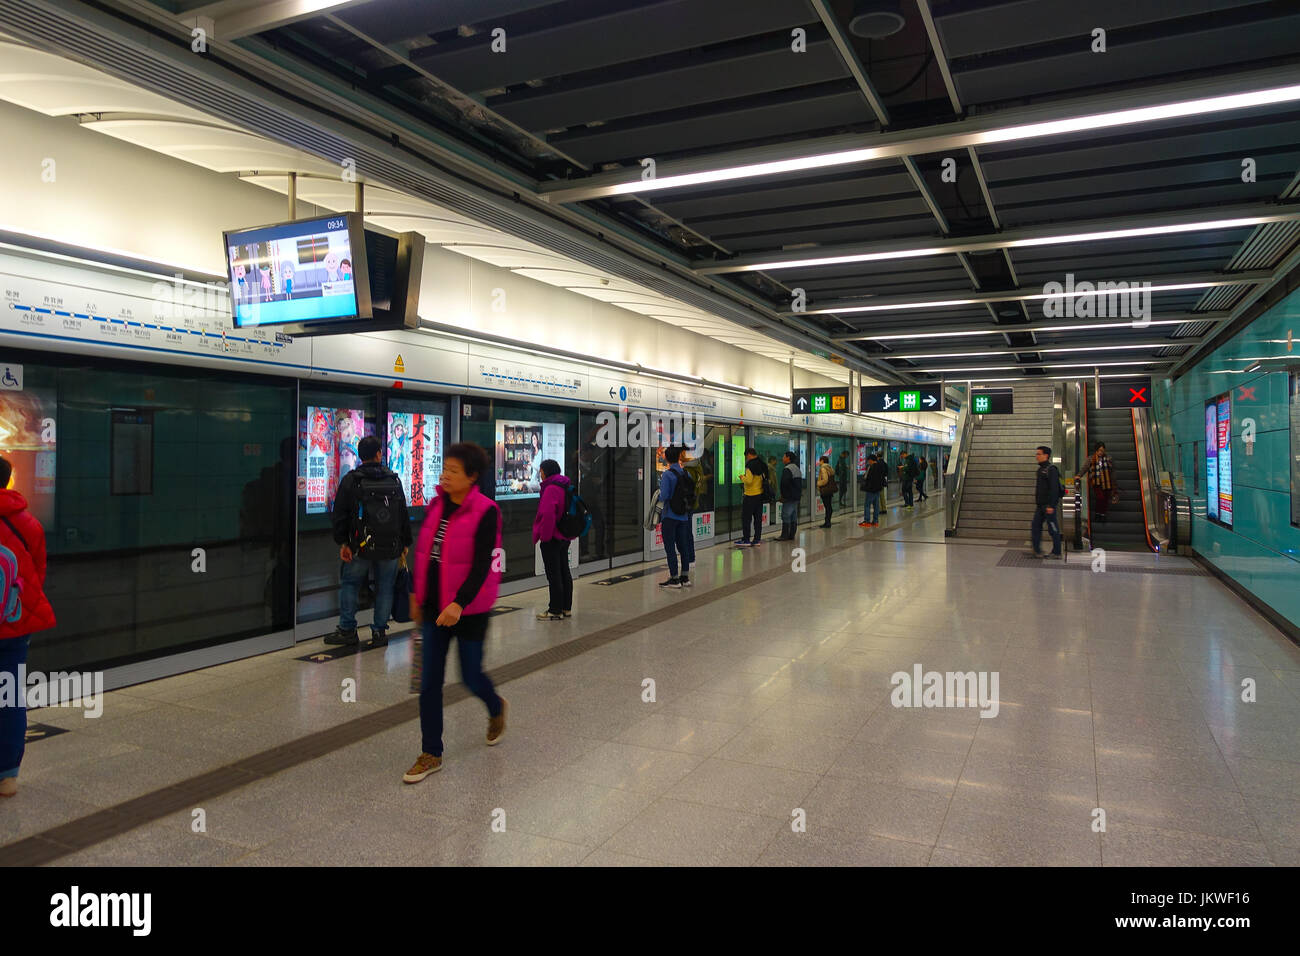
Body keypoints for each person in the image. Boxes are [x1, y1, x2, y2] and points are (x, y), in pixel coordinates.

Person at [404, 443, 507, 782]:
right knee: (429, 681)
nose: (445, 475)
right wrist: (417, 594)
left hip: (470, 610)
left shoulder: (486, 511)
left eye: (453, 470)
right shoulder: (436, 505)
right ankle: (431, 752)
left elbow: (481, 566)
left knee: (470, 676)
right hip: (434, 608)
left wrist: (458, 603)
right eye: (444, 468)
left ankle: (495, 707)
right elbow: (425, 554)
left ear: (472, 476)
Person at [0, 456, 56, 798]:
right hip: (16, 624)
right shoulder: (29, 524)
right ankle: (7, 775)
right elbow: (37, 575)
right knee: (9, 696)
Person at [327, 434, 412, 647]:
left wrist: (343, 543)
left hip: (360, 546)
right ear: (379, 454)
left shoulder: (351, 480)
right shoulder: (393, 479)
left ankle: (347, 629)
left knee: (350, 584)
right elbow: (402, 513)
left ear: (360, 455)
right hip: (391, 546)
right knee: (386, 587)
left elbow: (340, 514)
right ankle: (379, 632)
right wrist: (405, 543)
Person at [532, 459, 574, 620]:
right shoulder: (564, 485)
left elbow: (548, 515)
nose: (540, 474)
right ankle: (566, 607)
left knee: (554, 574)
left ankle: (555, 610)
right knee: (564, 571)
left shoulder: (551, 489)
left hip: (553, 537)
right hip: (564, 535)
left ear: (546, 472)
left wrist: (545, 537)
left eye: (541, 471)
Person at [657, 446, 695, 589]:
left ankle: (674, 578)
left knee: (670, 547)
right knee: (683, 546)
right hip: (684, 516)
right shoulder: (686, 473)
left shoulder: (667, 475)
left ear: (666, 458)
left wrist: (658, 495)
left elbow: (665, 496)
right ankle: (685, 577)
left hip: (670, 516)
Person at [1031, 445, 1064, 559]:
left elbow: (1054, 489)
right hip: (1040, 506)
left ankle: (1057, 552)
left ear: (1046, 455)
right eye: (1037, 454)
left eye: (1039, 454)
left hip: (1048, 506)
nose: (1037, 456)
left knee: (1053, 529)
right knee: (1035, 526)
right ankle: (1037, 550)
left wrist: (1052, 505)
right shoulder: (1040, 470)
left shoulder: (1052, 470)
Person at [735, 447, 768, 548]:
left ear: (749, 454)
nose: (746, 459)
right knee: (758, 519)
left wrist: (742, 477)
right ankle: (757, 539)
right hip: (760, 494)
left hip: (750, 495)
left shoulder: (750, 465)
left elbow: (749, 481)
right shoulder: (762, 464)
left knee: (746, 518)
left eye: (746, 456)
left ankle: (746, 540)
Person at [1076, 442, 1114, 522]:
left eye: (1102, 451)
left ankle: (1102, 514)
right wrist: (1079, 475)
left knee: (1106, 498)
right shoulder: (1091, 458)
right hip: (1096, 482)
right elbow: (1085, 468)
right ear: (1096, 451)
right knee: (1100, 498)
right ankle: (1097, 513)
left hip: (1107, 482)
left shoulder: (1108, 458)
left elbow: (1112, 471)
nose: (1101, 452)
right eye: (1099, 450)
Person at [776, 451, 802, 540]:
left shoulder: (788, 469)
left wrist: (784, 495)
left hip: (789, 496)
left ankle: (784, 535)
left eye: (784, 456)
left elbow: (784, 483)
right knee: (793, 515)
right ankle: (791, 535)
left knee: (786, 515)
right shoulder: (796, 468)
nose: (782, 458)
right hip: (796, 495)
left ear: (788, 458)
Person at [858, 452, 887, 527]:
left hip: (871, 489)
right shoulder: (881, 467)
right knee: (876, 506)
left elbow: (866, 478)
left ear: (871, 460)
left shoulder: (871, 467)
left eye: (868, 460)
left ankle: (867, 521)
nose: (868, 462)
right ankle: (875, 521)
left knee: (867, 505)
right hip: (878, 489)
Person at [816, 455, 835, 528]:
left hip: (825, 490)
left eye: (820, 460)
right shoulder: (829, 468)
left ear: (822, 461)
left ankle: (827, 523)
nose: (819, 462)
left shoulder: (823, 468)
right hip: (829, 490)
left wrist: (818, 483)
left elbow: (825, 480)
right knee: (829, 506)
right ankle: (828, 522)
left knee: (827, 506)